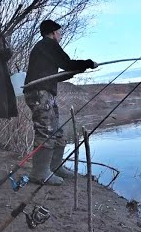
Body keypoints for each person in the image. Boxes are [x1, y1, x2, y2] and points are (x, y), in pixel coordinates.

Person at [23, 19, 98, 185]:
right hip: (39, 93)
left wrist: (76, 70)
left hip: (44, 92)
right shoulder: (48, 44)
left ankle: (56, 167)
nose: (61, 36)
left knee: (56, 131)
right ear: (53, 32)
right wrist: (89, 63)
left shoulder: (44, 48)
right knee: (46, 130)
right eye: (60, 32)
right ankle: (39, 173)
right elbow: (67, 63)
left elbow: (61, 72)